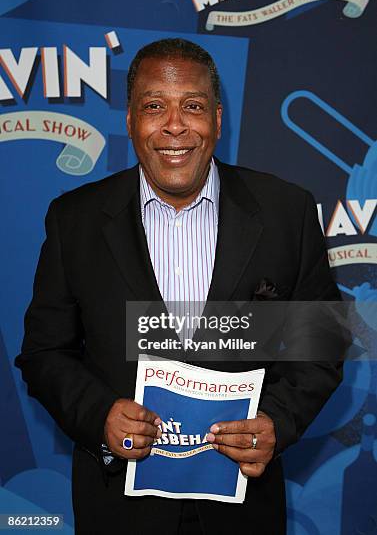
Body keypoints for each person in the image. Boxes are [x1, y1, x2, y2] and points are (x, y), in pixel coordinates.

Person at [15, 38, 346, 534]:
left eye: (191, 106)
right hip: (119, 511)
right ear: (131, 120)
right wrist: (100, 417)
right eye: (155, 106)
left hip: (244, 509)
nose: (174, 125)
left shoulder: (287, 212)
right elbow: (44, 353)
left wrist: (276, 422)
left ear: (216, 118)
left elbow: (320, 346)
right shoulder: (74, 220)